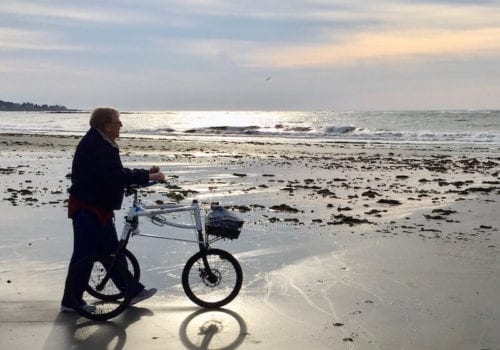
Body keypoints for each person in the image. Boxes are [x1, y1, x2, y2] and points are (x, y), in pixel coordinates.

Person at [61, 107, 165, 312]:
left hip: (95, 207)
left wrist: (144, 174)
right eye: (118, 122)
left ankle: (131, 291)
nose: (120, 126)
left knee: (109, 252)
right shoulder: (97, 145)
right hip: (89, 208)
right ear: (107, 125)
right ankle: (72, 301)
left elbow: (114, 173)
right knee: (87, 255)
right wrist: (148, 177)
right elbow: (114, 176)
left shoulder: (100, 142)